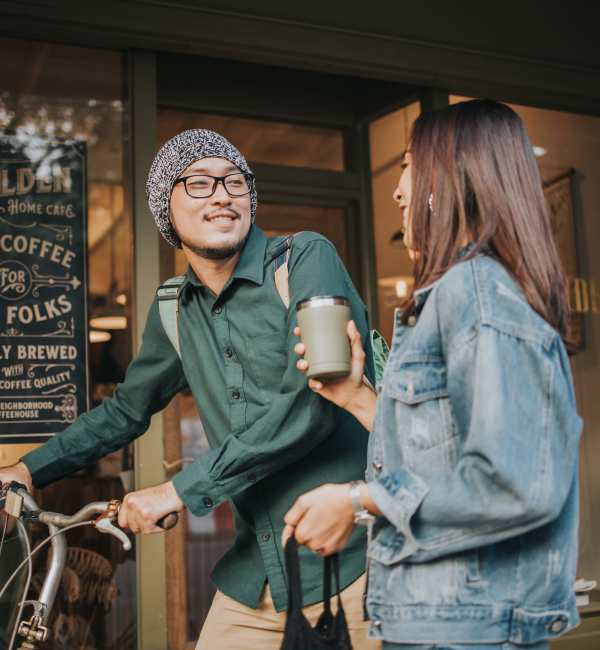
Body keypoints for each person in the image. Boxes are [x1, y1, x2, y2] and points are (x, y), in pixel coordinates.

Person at [0, 129, 379, 649]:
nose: (222, 194)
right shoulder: (174, 307)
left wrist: (178, 490)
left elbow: (311, 405)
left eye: (234, 181)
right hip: (255, 577)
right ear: (166, 210)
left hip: (352, 568)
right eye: (198, 182)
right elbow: (125, 413)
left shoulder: (304, 259)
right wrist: (26, 469)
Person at [283, 99, 582, 650]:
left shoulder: (475, 293)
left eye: (408, 165)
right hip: (446, 622)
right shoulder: (462, 295)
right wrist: (357, 398)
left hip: (467, 629)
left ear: (450, 180)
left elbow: (515, 483)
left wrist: (355, 500)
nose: (397, 191)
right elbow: (446, 456)